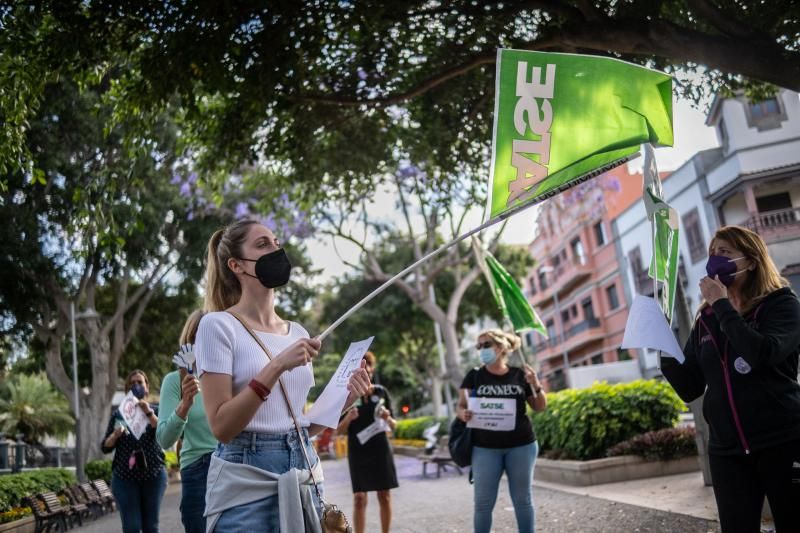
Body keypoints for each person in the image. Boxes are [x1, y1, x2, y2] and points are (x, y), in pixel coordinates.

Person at [195, 219, 372, 531]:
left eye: (276, 242)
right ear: (236, 265)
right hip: (244, 481)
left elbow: (301, 424)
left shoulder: (297, 332)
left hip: (303, 471)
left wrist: (346, 396)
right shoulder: (217, 325)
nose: (276, 250)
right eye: (262, 244)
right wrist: (276, 367)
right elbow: (221, 427)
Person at [660, 225, 800, 533]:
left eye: (725, 252)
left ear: (751, 261)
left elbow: (763, 354)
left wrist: (722, 305)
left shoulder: (781, 305)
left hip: (783, 442)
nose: (715, 259)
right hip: (727, 452)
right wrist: (663, 349)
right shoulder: (706, 321)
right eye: (712, 253)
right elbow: (690, 387)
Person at [457, 329, 547, 533]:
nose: (481, 350)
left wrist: (536, 384)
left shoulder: (520, 374)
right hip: (485, 448)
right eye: (478, 347)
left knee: (523, 500)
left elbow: (540, 406)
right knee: (482, 504)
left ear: (501, 347)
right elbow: (460, 406)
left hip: (522, 446)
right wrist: (464, 414)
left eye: (486, 345)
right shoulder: (474, 376)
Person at [156, 310, 217, 533]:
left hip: (235, 464)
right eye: (200, 337)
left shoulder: (232, 374)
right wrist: (185, 404)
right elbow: (164, 438)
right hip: (198, 468)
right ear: (190, 340)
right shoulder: (175, 381)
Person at [336, 351, 398, 533]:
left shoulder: (381, 392)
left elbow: (394, 426)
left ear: (371, 370)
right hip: (358, 451)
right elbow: (337, 432)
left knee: (385, 496)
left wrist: (387, 418)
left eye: (368, 367)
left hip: (380, 449)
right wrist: (348, 419)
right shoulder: (347, 396)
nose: (366, 372)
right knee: (359, 499)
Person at [101, 370, 167, 533]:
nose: (136, 386)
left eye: (140, 382)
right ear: (127, 389)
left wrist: (148, 412)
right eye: (132, 383)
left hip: (153, 476)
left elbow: (163, 433)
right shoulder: (119, 414)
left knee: (151, 527)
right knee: (131, 527)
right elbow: (105, 446)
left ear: (147, 387)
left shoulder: (156, 411)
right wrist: (115, 435)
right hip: (125, 479)